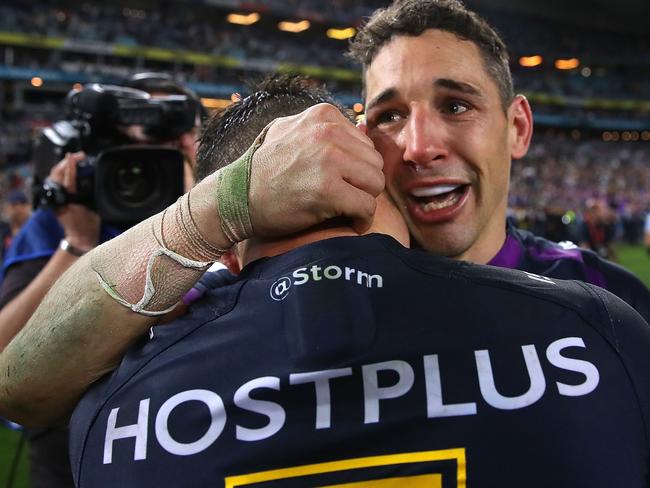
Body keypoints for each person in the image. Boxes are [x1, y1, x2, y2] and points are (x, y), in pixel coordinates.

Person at [2, 76, 650, 486]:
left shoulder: (116, 415)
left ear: (226, 252)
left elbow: (21, 383)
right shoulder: (594, 336)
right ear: (371, 175)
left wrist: (211, 213)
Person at [345, 0, 650, 322]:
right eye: (390, 116)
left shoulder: (613, 304)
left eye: (456, 107)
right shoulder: (325, 309)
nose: (419, 148)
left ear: (517, 128)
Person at [0, 74, 203, 488]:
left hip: (189, 434)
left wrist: (198, 214)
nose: (154, 157)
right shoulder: (66, 219)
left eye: (178, 138)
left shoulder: (226, 218)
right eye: (148, 138)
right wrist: (77, 244)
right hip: (74, 447)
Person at [0, 189, 31, 261]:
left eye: (22, 203)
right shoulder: (3, 231)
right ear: (6, 208)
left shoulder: (35, 230)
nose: (18, 208)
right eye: (14, 204)